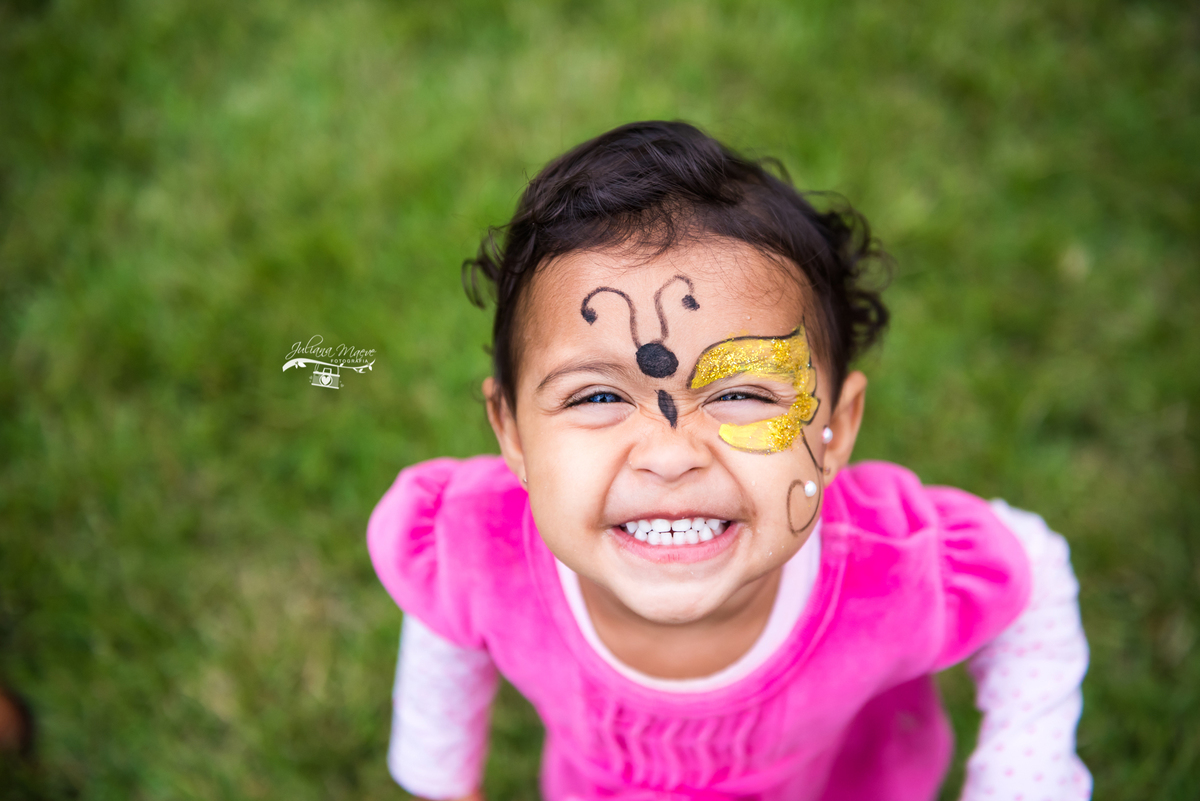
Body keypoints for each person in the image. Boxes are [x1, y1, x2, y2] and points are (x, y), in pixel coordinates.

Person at [367, 121, 1091, 801]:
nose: (671, 455)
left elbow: (1032, 576)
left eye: (741, 392)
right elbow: (447, 610)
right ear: (513, 435)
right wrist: (443, 778)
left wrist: (1020, 777)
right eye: (595, 396)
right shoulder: (475, 544)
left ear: (835, 429)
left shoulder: (892, 564)